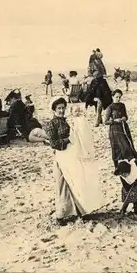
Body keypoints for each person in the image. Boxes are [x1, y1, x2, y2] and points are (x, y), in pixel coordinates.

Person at [48, 96, 104, 225]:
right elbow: (53, 143)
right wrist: (69, 140)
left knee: (77, 182)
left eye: (63, 108)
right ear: (54, 110)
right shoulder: (52, 124)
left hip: (71, 155)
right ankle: (61, 215)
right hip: (61, 156)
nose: (61, 110)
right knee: (63, 184)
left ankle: (79, 210)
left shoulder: (67, 121)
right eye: (59, 108)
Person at [105, 89, 137, 168]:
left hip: (123, 127)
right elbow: (106, 121)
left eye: (120, 97)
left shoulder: (122, 105)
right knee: (116, 147)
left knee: (127, 145)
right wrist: (114, 120)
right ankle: (116, 166)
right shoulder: (110, 107)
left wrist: (124, 118)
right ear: (112, 97)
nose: (118, 99)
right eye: (117, 97)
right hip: (115, 130)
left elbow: (126, 116)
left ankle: (130, 165)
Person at [86, 49, 112, 127]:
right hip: (97, 83)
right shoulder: (93, 63)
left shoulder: (100, 63)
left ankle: (98, 118)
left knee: (102, 99)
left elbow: (103, 72)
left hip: (101, 82)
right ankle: (99, 118)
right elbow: (90, 73)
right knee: (96, 101)